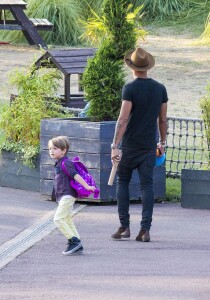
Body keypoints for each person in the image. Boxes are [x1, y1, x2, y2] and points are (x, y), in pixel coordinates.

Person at [110, 47, 168, 242]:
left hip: (129, 145)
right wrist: (162, 141)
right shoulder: (160, 88)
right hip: (148, 146)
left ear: (132, 67)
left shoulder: (130, 88)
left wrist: (114, 145)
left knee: (123, 182)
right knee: (147, 186)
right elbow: (163, 120)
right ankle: (145, 229)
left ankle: (124, 226)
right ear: (147, 67)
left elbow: (123, 118)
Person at [49, 136, 96, 255]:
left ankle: (73, 240)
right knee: (67, 219)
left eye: (55, 148)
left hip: (67, 196)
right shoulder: (58, 163)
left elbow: (75, 175)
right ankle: (77, 242)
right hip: (64, 196)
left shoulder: (66, 163)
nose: (51, 151)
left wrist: (87, 186)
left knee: (58, 219)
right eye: (50, 148)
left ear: (64, 150)